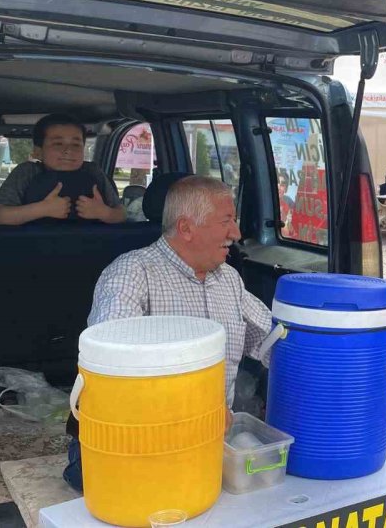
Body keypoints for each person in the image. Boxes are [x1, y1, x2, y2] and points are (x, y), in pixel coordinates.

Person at [62, 175, 272, 492]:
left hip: (208, 439)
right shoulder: (131, 274)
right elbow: (113, 368)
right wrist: (199, 410)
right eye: (226, 221)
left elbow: (273, 340)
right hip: (136, 443)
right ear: (186, 228)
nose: (236, 233)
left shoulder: (228, 279)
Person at [0, 114, 126, 225]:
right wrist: (42, 209)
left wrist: (103, 213)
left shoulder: (93, 171)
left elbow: (121, 215)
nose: (68, 150)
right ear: (38, 152)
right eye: (58, 144)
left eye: (76, 145)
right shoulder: (27, 172)